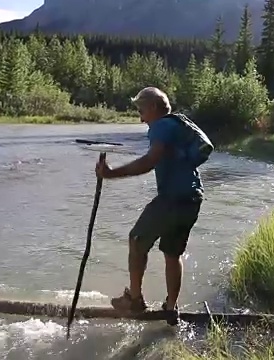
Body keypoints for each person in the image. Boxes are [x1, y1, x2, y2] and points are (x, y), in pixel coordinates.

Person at [94, 86, 204, 325]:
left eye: (142, 110)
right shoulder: (177, 124)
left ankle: (134, 300)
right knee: (172, 254)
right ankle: (171, 308)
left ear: (153, 107)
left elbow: (149, 161)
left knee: (136, 239)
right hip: (193, 199)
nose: (141, 117)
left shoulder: (161, 127)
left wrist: (111, 174)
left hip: (172, 199)